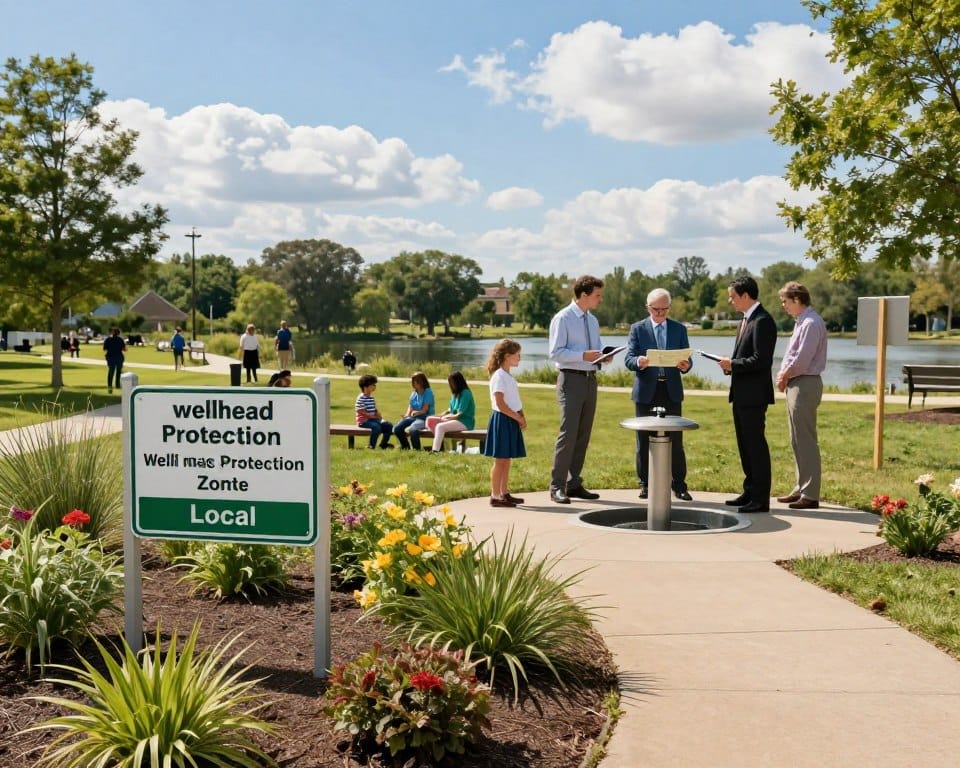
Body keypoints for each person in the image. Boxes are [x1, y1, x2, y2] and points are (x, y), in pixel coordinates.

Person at [715, 275, 777, 513]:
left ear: (745, 295)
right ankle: (750, 491)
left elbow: (761, 360)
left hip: (754, 396)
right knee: (745, 446)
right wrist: (731, 366)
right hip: (741, 394)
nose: (730, 301)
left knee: (755, 446)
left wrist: (733, 364)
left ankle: (761, 499)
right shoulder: (747, 319)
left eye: (732, 296)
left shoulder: (762, 321)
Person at [624, 288, 693, 501]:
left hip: (670, 389)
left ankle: (679, 485)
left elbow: (688, 359)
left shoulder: (679, 329)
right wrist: (639, 362)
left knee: (676, 440)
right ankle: (645, 484)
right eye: (656, 310)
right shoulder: (638, 329)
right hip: (646, 391)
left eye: (664, 310)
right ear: (648, 308)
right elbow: (629, 359)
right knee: (643, 440)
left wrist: (685, 365)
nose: (660, 314)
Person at [547, 274, 605, 504]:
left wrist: (604, 356)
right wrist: (583, 356)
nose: (600, 300)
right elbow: (555, 353)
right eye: (597, 295)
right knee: (568, 434)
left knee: (583, 435)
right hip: (570, 380)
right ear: (584, 295)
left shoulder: (592, 320)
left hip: (591, 380)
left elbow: (596, 349)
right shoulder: (563, 318)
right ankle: (557, 486)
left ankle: (574, 483)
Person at [775, 281, 828, 510]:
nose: (783, 305)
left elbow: (802, 359)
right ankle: (801, 487)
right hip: (796, 383)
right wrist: (784, 375)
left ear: (797, 299)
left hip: (805, 383)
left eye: (785, 301)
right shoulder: (802, 322)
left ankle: (810, 493)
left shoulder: (811, 323)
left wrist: (784, 375)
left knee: (805, 439)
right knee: (796, 439)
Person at [482, 339, 526, 507]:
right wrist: (517, 417)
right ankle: (495, 495)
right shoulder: (499, 376)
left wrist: (521, 415)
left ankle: (504, 492)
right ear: (507, 356)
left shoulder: (507, 375)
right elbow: (500, 403)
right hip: (503, 419)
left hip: (511, 418)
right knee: (500, 460)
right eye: (517, 355)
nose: (520, 358)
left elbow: (514, 399)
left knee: (506, 459)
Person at [425, 371, 476, 453]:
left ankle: (435, 450)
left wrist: (445, 419)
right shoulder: (454, 395)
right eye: (449, 382)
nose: (450, 385)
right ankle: (444, 445)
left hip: (465, 421)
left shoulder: (466, 393)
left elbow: (459, 414)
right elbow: (450, 410)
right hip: (455, 419)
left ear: (458, 382)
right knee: (430, 420)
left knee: (440, 426)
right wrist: (440, 416)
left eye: (452, 382)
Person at [393, 371, 435, 450]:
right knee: (397, 428)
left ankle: (416, 449)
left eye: (414, 382)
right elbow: (410, 406)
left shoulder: (428, 392)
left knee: (413, 428)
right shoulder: (414, 393)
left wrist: (417, 412)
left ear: (421, 382)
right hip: (414, 417)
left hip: (425, 418)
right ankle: (406, 447)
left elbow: (425, 410)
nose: (413, 384)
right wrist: (407, 415)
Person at [355, 374, 394, 449]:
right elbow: (360, 411)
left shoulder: (371, 397)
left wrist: (377, 414)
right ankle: (371, 445)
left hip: (373, 419)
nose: (374, 387)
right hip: (363, 421)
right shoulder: (361, 398)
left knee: (389, 425)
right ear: (365, 387)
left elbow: (373, 409)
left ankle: (383, 444)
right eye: (372, 385)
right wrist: (372, 417)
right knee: (376, 427)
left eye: (374, 385)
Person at [102, 327, 126, 394]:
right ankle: (117, 384)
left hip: (110, 357)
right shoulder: (120, 340)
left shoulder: (108, 339)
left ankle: (110, 385)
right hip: (119, 357)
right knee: (118, 371)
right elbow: (124, 349)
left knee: (111, 371)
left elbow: (104, 348)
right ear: (118, 333)